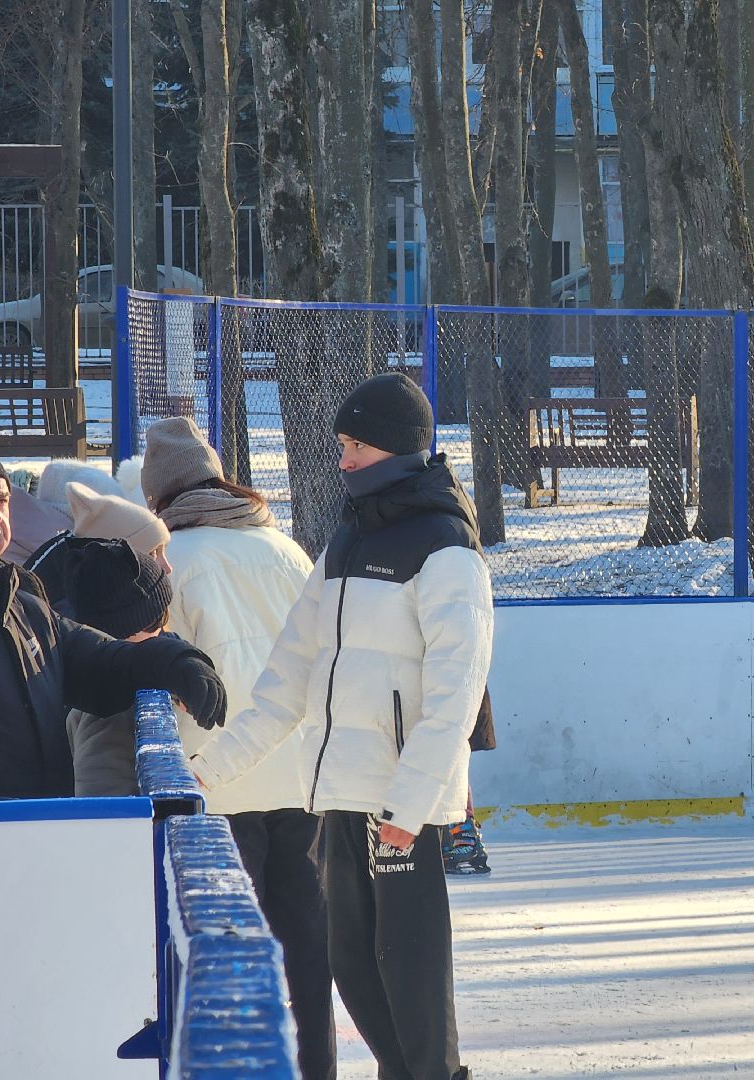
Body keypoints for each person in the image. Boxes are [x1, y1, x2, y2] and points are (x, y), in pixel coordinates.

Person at [190, 373, 491, 1080]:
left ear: (394, 447)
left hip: (399, 800)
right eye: (341, 444)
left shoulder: (446, 546)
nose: (344, 459)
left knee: (409, 968)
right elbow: (286, 678)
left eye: (356, 444)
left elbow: (456, 693)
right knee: (351, 961)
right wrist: (210, 770)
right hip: (340, 794)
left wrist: (412, 804)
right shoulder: (347, 540)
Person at [0, 441, 227, 800]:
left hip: (31, 831)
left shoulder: (16, 595)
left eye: (1, 499)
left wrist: (174, 661)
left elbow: (96, 660)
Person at [139, 416, 335, 1080]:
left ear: (157, 496)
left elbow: (168, 675)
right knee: (309, 947)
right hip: (300, 777)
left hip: (217, 781)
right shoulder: (287, 550)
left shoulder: (172, 561)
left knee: (225, 950)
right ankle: (318, 1070)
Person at [64, 539, 176, 797]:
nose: (163, 632)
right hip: (126, 831)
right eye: (159, 621)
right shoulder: (111, 703)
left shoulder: (110, 679)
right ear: (129, 629)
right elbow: (101, 795)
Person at [26, 481, 173, 611]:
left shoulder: (84, 596)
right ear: (115, 557)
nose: (167, 568)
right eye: (153, 553)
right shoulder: (72, 614)